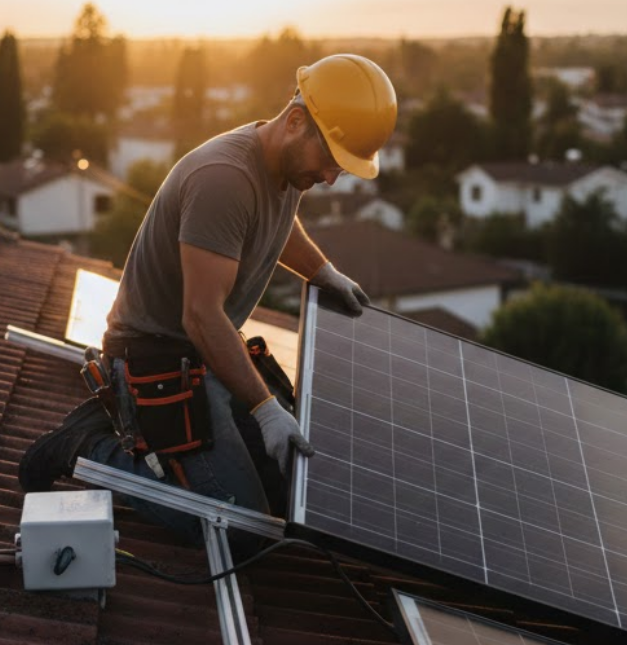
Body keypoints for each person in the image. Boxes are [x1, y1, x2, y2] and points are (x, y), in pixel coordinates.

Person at [19, 54, 397, 555]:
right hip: (153, 358)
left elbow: (276, 224)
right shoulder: (225, 178)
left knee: (292, 491)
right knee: (239, 528)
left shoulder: (282, 165)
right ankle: (89, 448)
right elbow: (200, 316)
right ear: (297, 120)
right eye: (330, 161)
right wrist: (264, 409)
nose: (330, 177)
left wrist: (322, 272)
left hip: (204, 350)